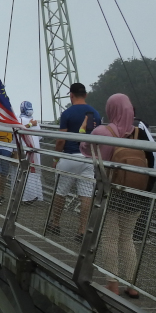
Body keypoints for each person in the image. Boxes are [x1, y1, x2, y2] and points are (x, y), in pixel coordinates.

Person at [83, 94, 141, 298]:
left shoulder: (101, 131)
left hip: (108, 189)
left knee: (109, 237)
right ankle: (132, 285)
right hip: (134, 192)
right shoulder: (139, 133)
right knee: (127, 237)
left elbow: (85, 149)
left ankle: (112, 283)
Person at [49, 83, 101, 239]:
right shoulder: (96, 114)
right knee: (86, 195)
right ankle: (82, 230)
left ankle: (55, 224)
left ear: (71, 95)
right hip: (89, 158)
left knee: (60, 192)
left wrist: (56, 158)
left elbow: (61, 140)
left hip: (70, 156)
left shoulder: (67, 113)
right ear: (85, 95)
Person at [18, 101, 44, 203]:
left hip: (25, 148)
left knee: (26, 171)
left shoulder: (20, 120)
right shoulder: (35, 122)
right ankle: (37, 194)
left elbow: (18, 130)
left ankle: (27, 196)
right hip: (36, 149)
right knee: (36, 172)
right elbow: (40, 136)